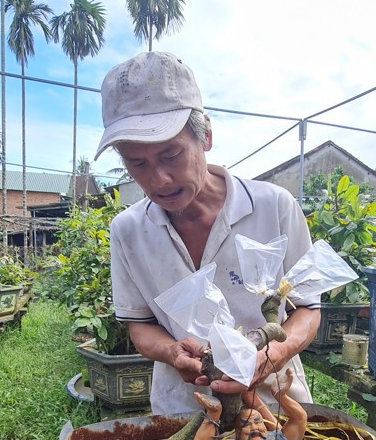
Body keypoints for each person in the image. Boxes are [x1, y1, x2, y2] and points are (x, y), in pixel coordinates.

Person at [95, 51, 321, 415]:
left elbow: (308, 308)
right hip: (184, 409)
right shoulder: (128, 231)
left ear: (206, 137)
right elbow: (140, 325)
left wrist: (275, 352)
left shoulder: (274, 207)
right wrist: (172, 352)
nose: (158, 179)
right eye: (137, 163)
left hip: (276, 408)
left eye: (171, 155)